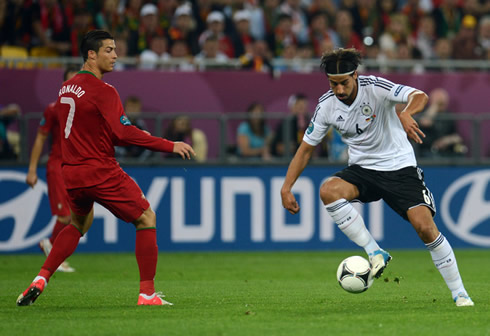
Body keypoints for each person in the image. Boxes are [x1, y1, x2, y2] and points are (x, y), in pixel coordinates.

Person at [280, 48, 474, 307]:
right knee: (328, 190)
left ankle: (459, 292)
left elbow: (419, 95)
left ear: (355, 76)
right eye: (333, 83)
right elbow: (305, 149)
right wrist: (286, 187)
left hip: (399, 167)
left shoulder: (376, 87)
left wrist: (406, 112)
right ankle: (375, 252)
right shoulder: (326, 106)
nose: (338, 90)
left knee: (426, 228)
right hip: (362, 170)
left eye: (344, 83)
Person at [17, 30, 195, 307]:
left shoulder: (66, 88)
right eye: (109, 50)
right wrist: (168, 145)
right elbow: (123, 134)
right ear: (91, 54)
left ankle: (41, 277)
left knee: (78, 223)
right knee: (146, 217)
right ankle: (147, 294)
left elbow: (93, 129)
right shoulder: (105, 91)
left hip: (71, 173)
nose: (115, 55)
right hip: (100, 170)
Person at [26, 65, 80, 273]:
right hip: (58, 166)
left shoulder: (87, 108)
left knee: (75, 216)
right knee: (65, 215)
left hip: (77, 167)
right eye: (70, 82)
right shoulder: (53, 109)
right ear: (64, 85)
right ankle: (52, 250)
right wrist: (32, 170)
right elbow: (40, 139)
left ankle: (51, 248)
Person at [416, 88, 467, 158]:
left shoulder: (449, 115)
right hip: (427, 150)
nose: (442, 102)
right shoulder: (424, 111)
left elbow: (457, 137)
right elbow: (425, 122)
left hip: (445, 150)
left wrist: (446, 140)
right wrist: (435, 106)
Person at [271, 93, 309, 157]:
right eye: (299, 105)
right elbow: (276, 147)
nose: (302, 108)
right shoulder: (285, 124)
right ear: (292, 107)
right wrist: (287, 147)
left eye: (304, 105)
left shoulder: (309, 124)